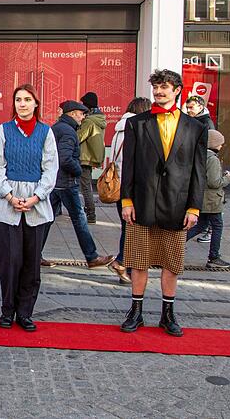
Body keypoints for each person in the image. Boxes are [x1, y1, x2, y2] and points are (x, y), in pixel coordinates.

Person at [120, 69, 207, 337]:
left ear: (177, 90)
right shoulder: (137, 123)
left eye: (164, 87)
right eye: (156, 87)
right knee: (138, 260)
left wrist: (194, 208)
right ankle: (136, 311)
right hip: (142, 203)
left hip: (177, 205)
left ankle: (167, 315)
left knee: (172, 262)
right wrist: (126, 201)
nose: (159, 91)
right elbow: (129, 166)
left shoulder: (196, 127)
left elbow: (199, 171)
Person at [0, 84, 58, 332]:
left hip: (36, 206)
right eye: (18, 99)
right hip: (7, 204)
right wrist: (9, 195)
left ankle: (25, 312)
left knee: (31, 263)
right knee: (9, 261)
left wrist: (36, 197)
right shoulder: (4, 131)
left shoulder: (45, 132)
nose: (23, 104)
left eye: (27, 99)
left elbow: (50, 169)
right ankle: (8, 310)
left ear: (36, 103)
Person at [40, 101, 115, 270]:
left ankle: (34, 254)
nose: (83, 117)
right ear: (73, 113)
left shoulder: (58, 128)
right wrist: (78, 170)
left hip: (55, 182)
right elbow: (64, 158)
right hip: (66, 182)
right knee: (79, 219)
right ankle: (92, 256)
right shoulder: (68, 131)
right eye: (81, 114)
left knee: (46, 219)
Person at [106, 97, 151, 284]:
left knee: (128, 227)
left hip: (119, 185)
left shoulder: (118, 130)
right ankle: (123, 262)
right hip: (132, 186)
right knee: (134, 228)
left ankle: (126, 267)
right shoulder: (137, 129)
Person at [186, 129, 230, 269]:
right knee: (217, 226)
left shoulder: (200, 156)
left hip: (201, 198)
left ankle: (175, 244)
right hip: (212, 200)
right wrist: (227, 178)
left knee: (201, 224)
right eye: (220, 143)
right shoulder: (212, 159)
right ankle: (214, 257)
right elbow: (214, 182)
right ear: (214, 144)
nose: (221, 146)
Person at [184, 95, 215, 244]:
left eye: (192, 107)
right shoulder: (192, 120)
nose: (189, 110)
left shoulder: (206, 123)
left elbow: (210, 145)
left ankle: (208, 230)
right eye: (187, 107)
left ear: (200, 107)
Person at [78, 92, 107, 224]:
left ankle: (91, 213)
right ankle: (88, 210)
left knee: (85, 186)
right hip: (90, 156)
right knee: (85, 184)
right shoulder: (99, 119)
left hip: (85, 156)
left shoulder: (89, 121)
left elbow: (79, 137)